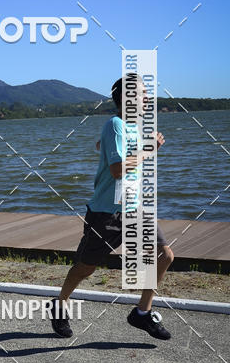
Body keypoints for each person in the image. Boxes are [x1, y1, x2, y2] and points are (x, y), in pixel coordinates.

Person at [47, 76, 174, 340]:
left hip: (134, 208)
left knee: (165, 255)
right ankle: (60, 304)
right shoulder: (114, 124)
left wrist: (109, 146)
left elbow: (106, 147)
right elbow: (117, 170)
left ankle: (141, 313)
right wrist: (149, 149)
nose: (148, 98)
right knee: (86, 267)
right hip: (107, 213)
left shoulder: (132, 126)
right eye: (142, 94)